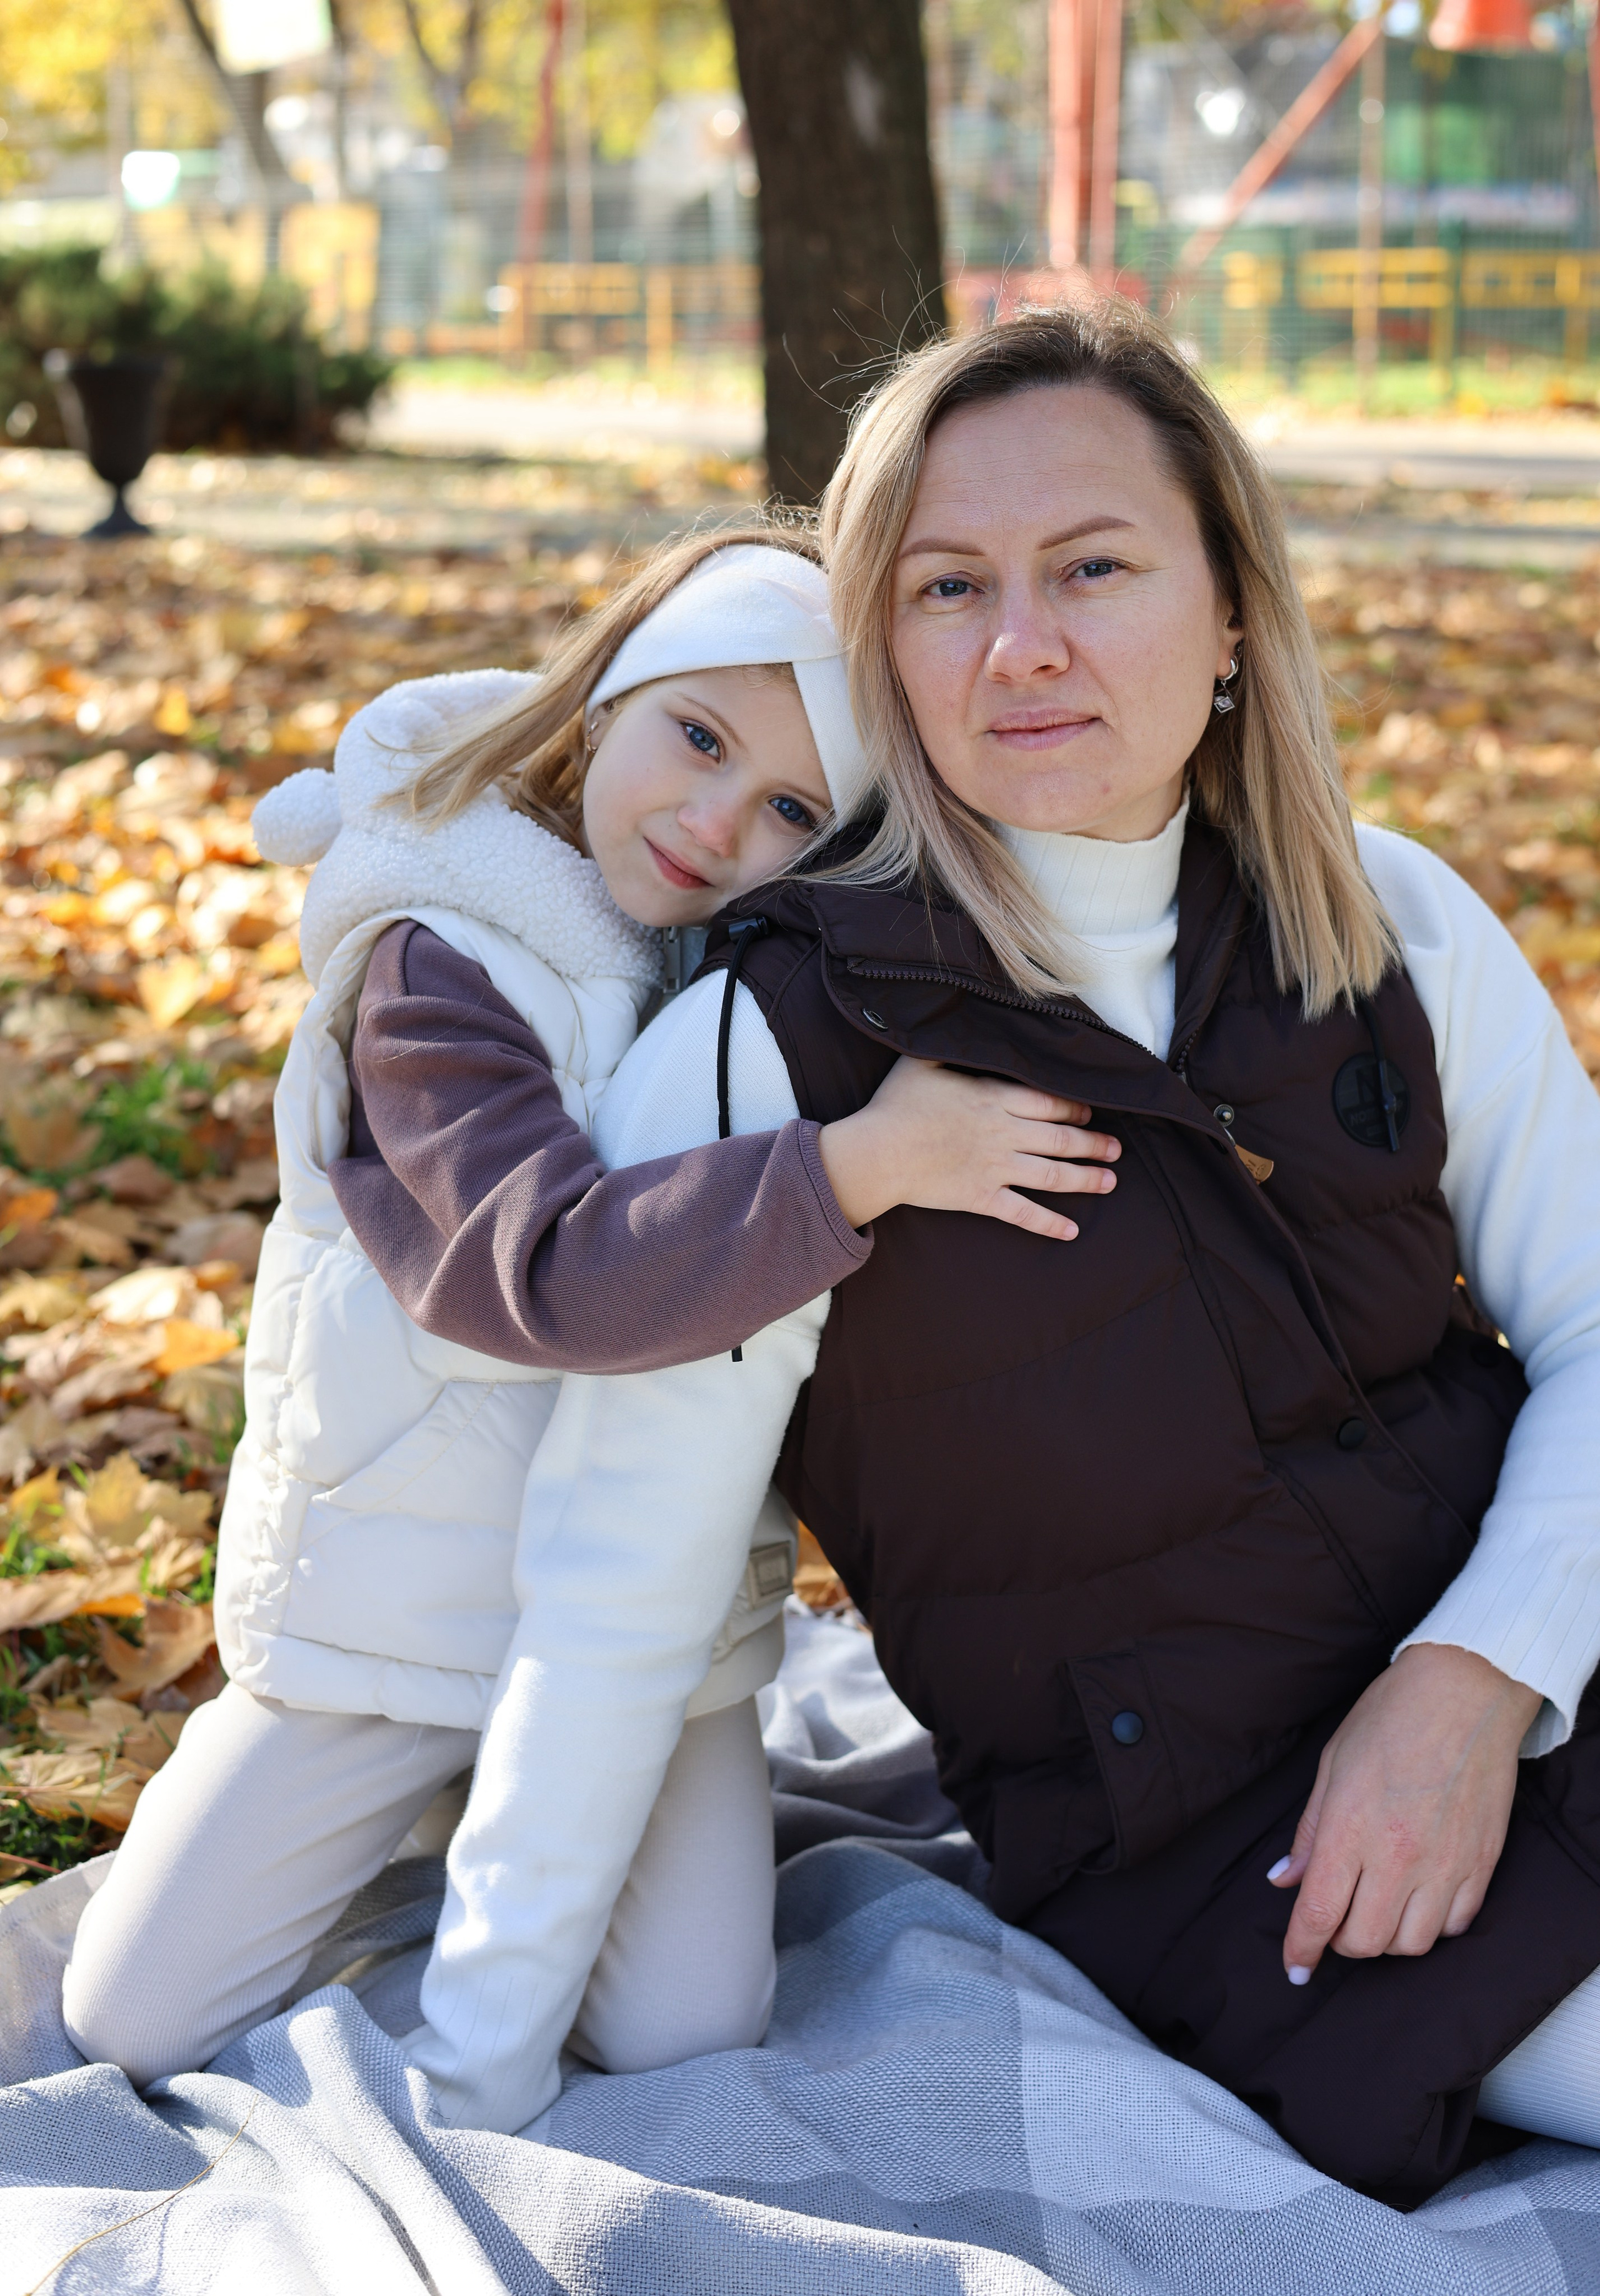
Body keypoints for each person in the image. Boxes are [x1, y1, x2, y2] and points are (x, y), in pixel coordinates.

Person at [472, 312, 1600, 2200]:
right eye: (948, 586)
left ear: (1230, 611)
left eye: (1092, 567)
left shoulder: (1386, 916)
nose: (1021, 647)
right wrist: (473, 2062)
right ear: (880, 645)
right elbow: (616, 1602)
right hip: (1228, 1845)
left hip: (1533, 1635)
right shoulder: (770, 1065)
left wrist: (1480, 1674)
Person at [60, 529, 1116, 2129]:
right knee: (130, 2015)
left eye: (790, 811)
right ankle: (424, 1799)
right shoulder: (441, 953)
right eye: (697, 736)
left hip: (641, 1634)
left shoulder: (748, 976)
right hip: (398, 1600)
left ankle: (503, 1815)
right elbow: (542, 1267)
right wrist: (868, 1162)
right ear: (609, 693)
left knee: (688, 2027)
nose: (716, 822)